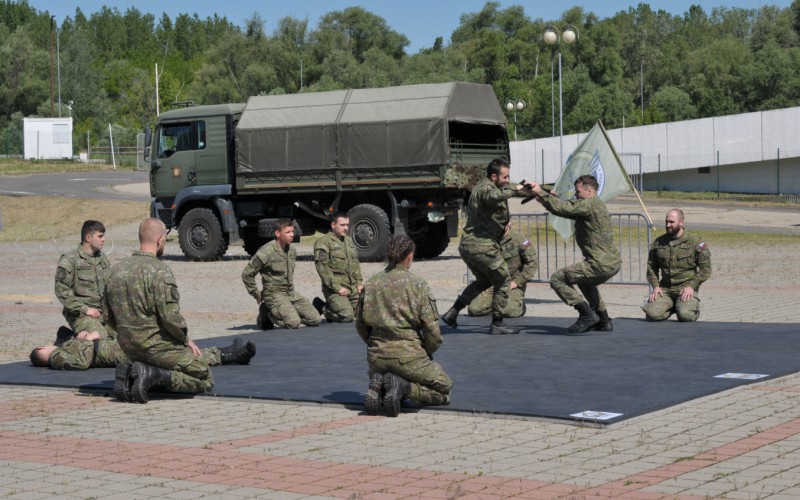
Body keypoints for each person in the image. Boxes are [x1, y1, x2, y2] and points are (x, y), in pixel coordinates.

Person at [104, 218, 256, 404]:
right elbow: (170, 317)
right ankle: (153, 374)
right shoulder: (159, 271)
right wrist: (185, 339)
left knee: (183, 358)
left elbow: (107, 316)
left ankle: (136, 374)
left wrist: (128, 334)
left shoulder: (114, 271)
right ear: (160, 239)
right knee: (204, 377)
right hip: (157, 347)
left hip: (129, 348)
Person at [356, 235, 452, 417]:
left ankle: (384, 388)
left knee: (390, 376)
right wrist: (427, 351)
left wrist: (374, 345)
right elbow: (433, 331)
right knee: (445, 388)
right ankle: (405, 388)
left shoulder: (371, 283)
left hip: (377, 357)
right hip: (410, 356)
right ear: (409, 257)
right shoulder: (418, 284)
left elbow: (360, 325)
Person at [440, 158, 527, 335]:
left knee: (484, 281)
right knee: (502, 279)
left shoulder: (494, 186)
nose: (508, 180)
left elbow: (506, 193)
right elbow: (494, 196)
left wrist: (536, 190)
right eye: (505, 177)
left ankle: (453, 312)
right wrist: (516, 189)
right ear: (494, 176)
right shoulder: (486, 188)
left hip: (471, 246)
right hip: (482, 246)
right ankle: (497, 323)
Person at [528, 175, 621, 333]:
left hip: (599, 263)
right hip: (611, 263)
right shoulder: (594, 205)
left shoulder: (589, 204)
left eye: (578, 192)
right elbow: (566, 210)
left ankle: (586, 315)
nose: (576, 195)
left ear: (589, 191)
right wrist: (544, 198)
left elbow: (565, 208)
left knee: (558, 279)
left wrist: (541, 192)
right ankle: (604, 321)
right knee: (586, 284)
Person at [30, 331, 255, 372]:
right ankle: (229, 355)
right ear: (42, 349)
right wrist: (89, 340)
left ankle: (225, 353)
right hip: (116, 352)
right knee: (170, 354)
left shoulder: (61, 350)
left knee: (169, 348)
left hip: (117, 346)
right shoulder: (56, 357)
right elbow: (81, 363)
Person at [241, 218, 320, 330]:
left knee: (315, 320)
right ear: (277, 233)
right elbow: (247, 274)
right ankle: (266, 312)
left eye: (292, 231)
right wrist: (256, 294)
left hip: (290, 293)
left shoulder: (292, 250)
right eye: (288, 232)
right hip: (274, 295)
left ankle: (286, 311)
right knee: (293, 323)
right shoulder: (266, 251)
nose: (292, 235)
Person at [643, 209, 712, 322]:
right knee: (652, 314)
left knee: (685, 316)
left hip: (686, 289)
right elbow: (651, 267)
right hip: (665, 289)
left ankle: (686, 307)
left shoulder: (695, 242)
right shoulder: (658, 243)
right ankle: (673, 306)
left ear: (681, 222)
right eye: (666, 221)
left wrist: (692, 286)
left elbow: (705, 269)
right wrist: (655, 286)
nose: (668, 225)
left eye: (671, 222)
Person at [54, 220, 110, 342]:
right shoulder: (70, 259)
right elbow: (61, 290)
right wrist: (85, 309)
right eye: (100, 236)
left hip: (102, 313)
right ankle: (69, 340)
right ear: (88, 237)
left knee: (124, 336)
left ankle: (70, 336)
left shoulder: (102, 259)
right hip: (80, 314)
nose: (104, 239)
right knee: (101, 340)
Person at [467, 232, 537, 318]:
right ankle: (494, 304)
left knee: (508, 311)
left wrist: (517, 282)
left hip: (512, 284)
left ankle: (520, 306)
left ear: (509, 223)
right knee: (474, 309)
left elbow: (533, 263)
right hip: (493, 283)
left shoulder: (520, 240)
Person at [312, 211, 364, 323]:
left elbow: (355, 264)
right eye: (342, 225)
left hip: (352, 289)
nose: (346, 228)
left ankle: (342, 306)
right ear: (333, 225)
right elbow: (323, 269)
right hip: (334, 290)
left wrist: (359, 283)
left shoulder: (349, 241)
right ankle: (323, 307)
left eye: (347, 225)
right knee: (347, 316)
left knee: (365, 313)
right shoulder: (323, 243)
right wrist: (338, 288)